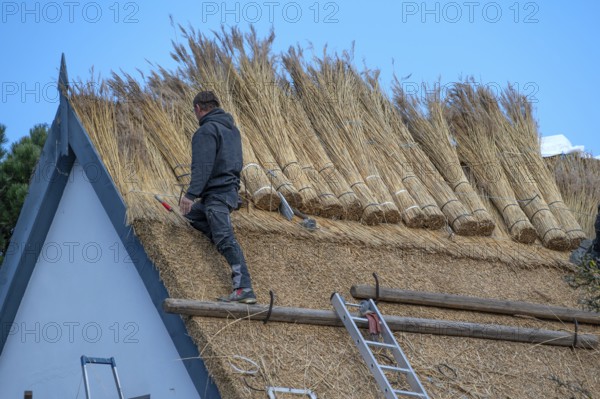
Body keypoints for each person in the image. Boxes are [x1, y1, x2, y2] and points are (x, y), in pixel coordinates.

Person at [179, 91, 256, 304]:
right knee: (193, 216)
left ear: (197, 108)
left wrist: (190, 194)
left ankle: (243, 289)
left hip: (217, 196)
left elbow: (202, 166)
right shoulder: (232, 130)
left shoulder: (206, 130)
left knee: (225, 238)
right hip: (229, 192)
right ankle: (221, 244)